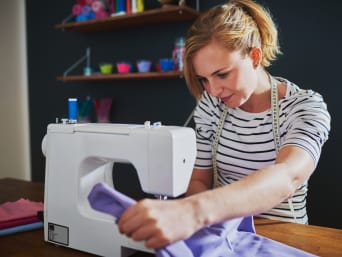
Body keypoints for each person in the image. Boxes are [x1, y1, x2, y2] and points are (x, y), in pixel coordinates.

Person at [118, 0, 331, 250]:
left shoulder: (304, 106)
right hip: (223, 236)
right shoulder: (211, 106)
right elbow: (198, 181)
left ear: (254, 56)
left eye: (222, 74)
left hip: (285, 240)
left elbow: (286, 177)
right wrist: (207, 229)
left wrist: (194, 212)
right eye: (204, 79)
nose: (213, 90)